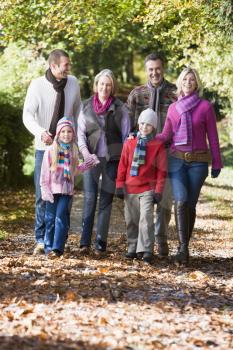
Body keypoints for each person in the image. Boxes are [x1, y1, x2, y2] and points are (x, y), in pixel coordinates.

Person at [156, 67, 223, 264]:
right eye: (185, 79)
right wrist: (147, 139)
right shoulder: (173, 108)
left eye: (192, 80)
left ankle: (184, 246)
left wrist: (217, 162)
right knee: (181, 201)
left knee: (191, 205)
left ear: (196, 83)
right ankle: (183, 248)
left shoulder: (205, 107)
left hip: (198, 163)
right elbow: (166, 135)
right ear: (180, 82)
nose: (188, 82)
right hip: (176, 161)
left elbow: (213, 137)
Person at [23, 49, 82, 255]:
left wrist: (79, 143)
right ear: (53, 66)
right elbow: (27, 115)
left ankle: (59, 241)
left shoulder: (73, 83)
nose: (69, 68)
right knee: (43, 195)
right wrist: (41, 133)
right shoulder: (37, 85)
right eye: (65, 65)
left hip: (66, 148)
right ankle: (40, 239)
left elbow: (78, 112)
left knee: (65, 194)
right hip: (44, 149)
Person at [126, 53, 176, 258]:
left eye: (157, 68)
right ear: (146, 70)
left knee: (164, 203)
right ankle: (139, 246)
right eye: (150, 69)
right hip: (142, 159)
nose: (154, 72)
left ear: (162, 68)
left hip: (166, 154)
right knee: (139, 207)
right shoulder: (137, 95)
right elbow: (128, 126)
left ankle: (162, 241)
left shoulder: (175, 93)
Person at [78, 69, 130, 254]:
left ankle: (101, 244)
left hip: (112, 160)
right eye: (102, 84)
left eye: (108, 85)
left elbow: (125, 137)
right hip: (90, 159)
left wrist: (123, 161)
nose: (105, 88)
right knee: (90, 199)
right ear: (96, 85)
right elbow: (81, 135)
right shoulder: (85, 106)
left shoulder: (120, 108)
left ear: (112, 86)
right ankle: (85, 243)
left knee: (106, 201)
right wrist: (85, 154)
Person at [40, 117, 98, 258]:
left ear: (73, 134)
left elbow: (74, 171)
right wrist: (45, 190)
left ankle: (57, 249)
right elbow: (44, 173)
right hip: (52, 192)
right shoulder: (50, 151)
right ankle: (48, 247)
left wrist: (87, 164)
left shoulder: (73, 151)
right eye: (63, 131)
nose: (66, 134)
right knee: (50, 218)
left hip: (66, 192)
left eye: (69, 132)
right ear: (58, 134)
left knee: (61, 218)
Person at [115, 109, 167, 264]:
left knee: (146, 219)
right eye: (142, 123)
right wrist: (119, 184)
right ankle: (132, 247)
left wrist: (158, 191)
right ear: (138, 124)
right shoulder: (130, 142)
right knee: (131, 220)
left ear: (154, 127)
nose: (145, 127)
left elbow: (161, 171)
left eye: (149, 125)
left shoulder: (158, 145)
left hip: (148, 189)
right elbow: (123, 165)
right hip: (130, 188)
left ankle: (146, 250)